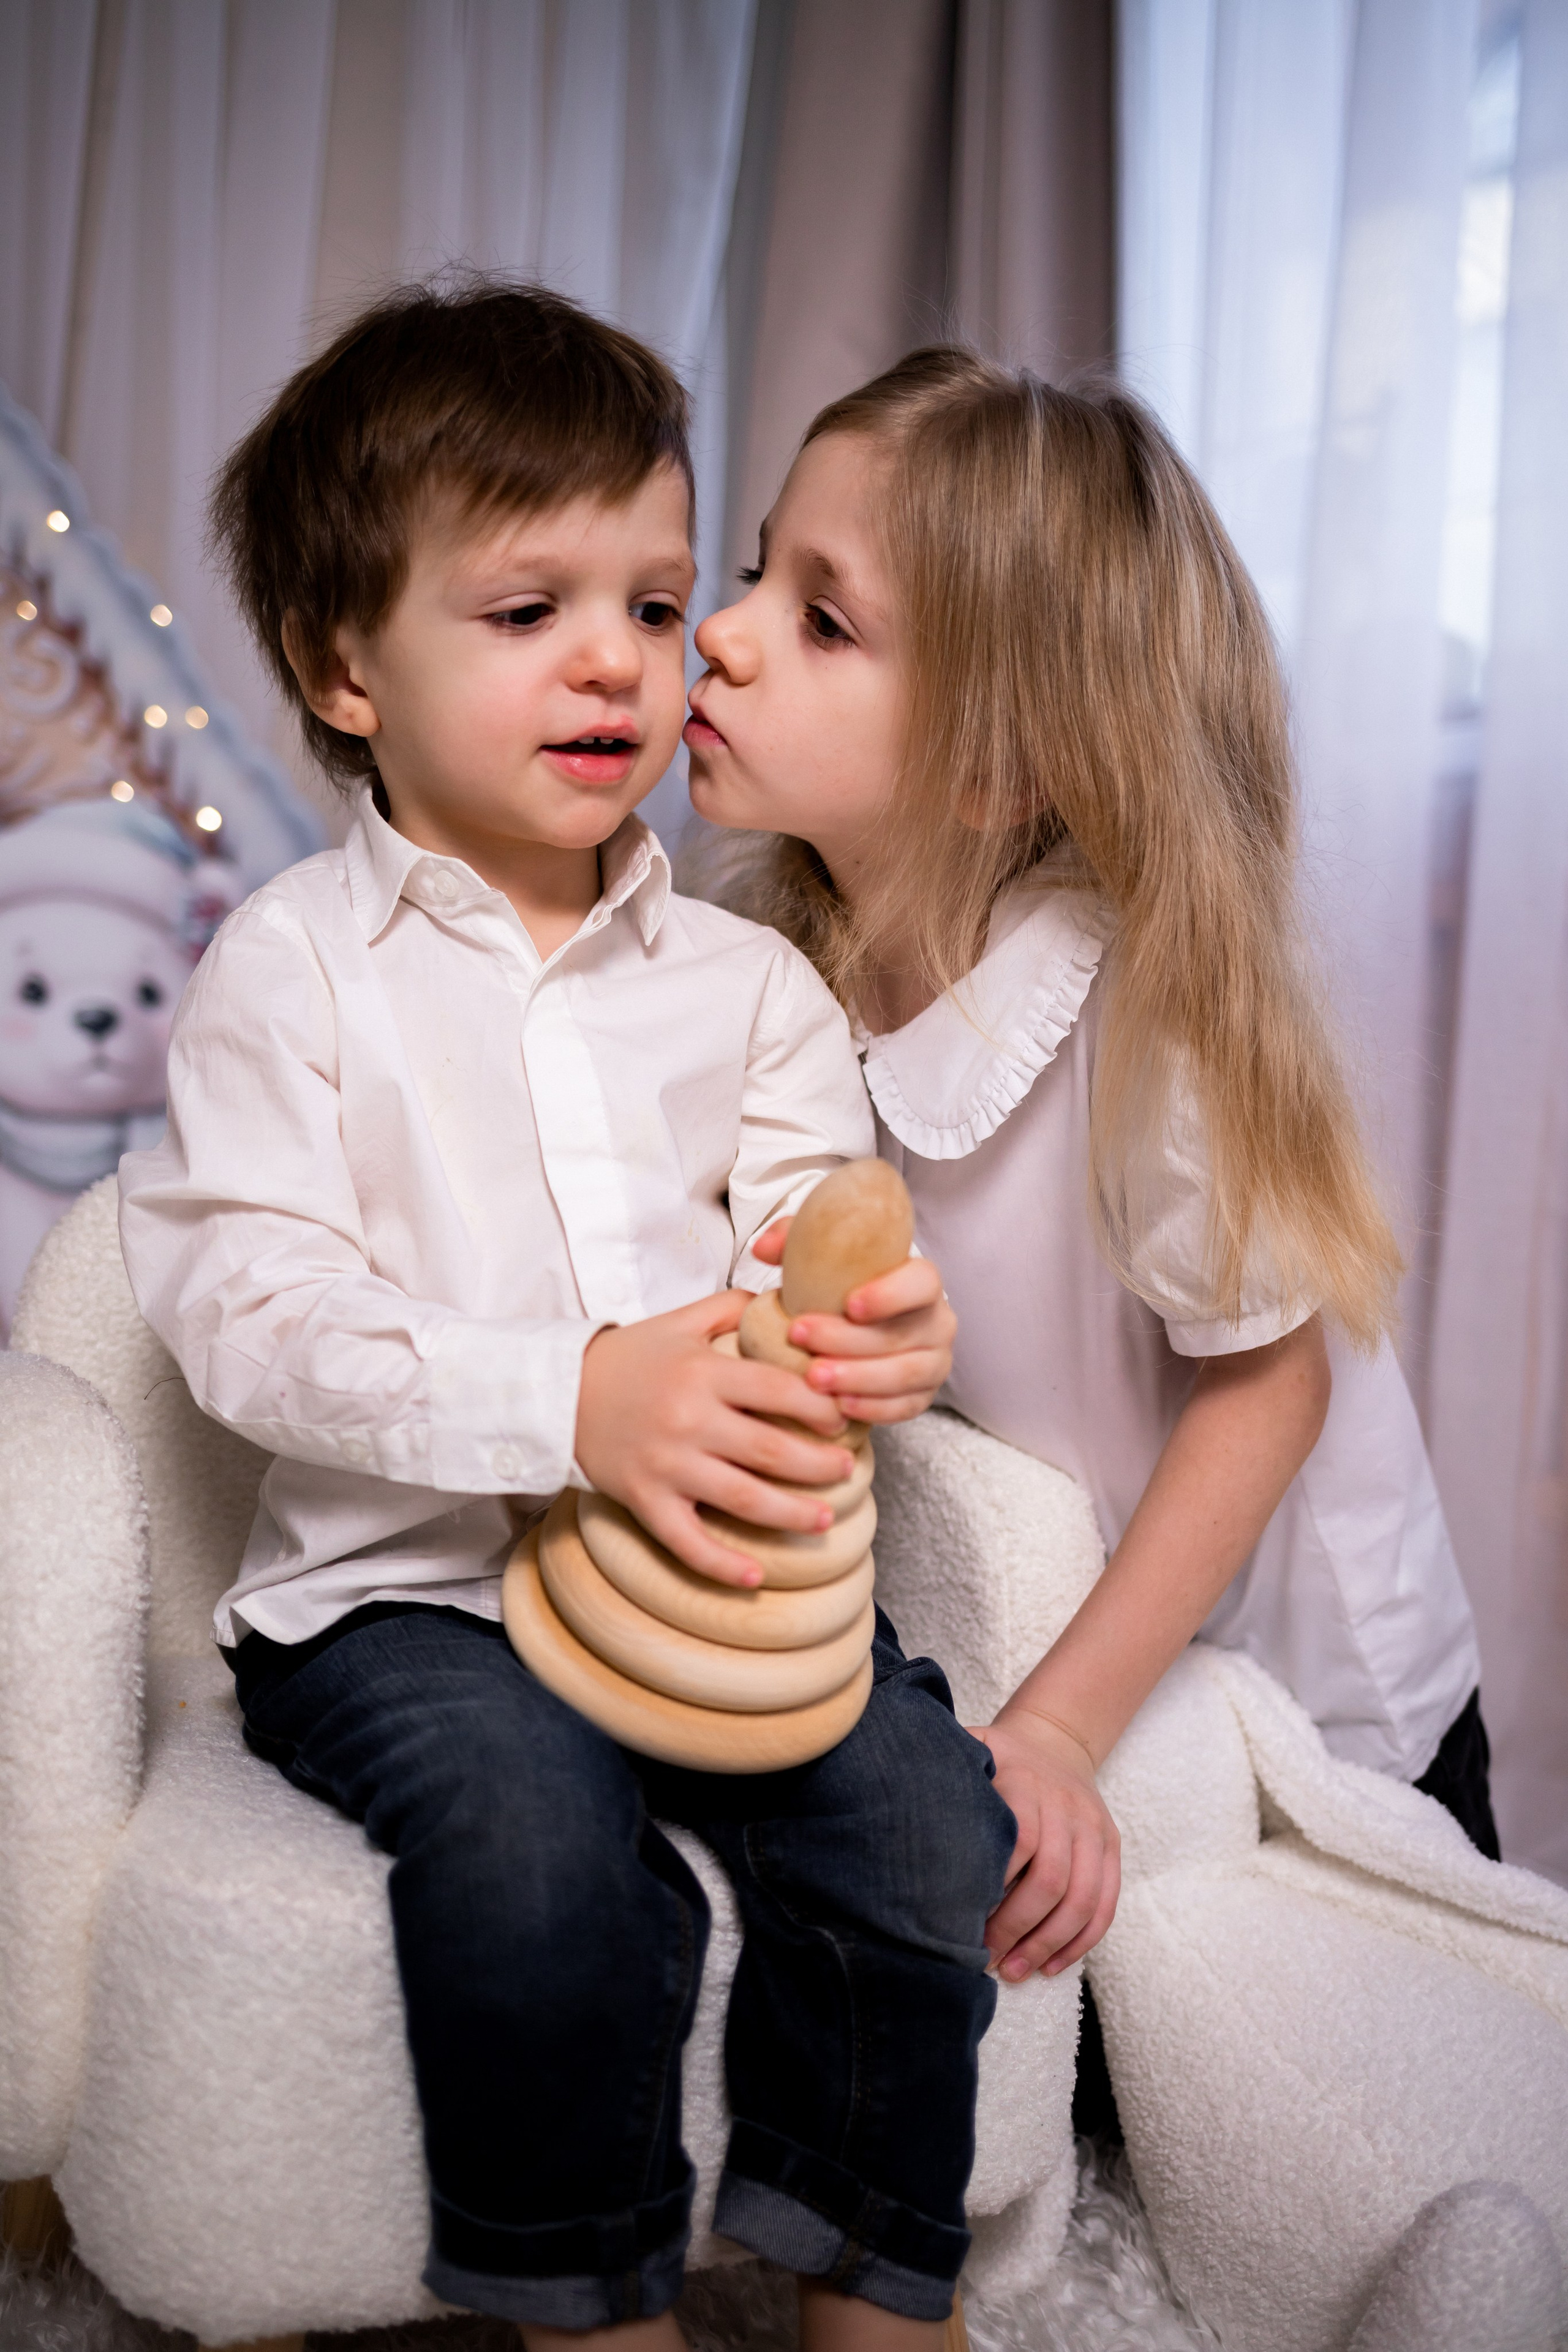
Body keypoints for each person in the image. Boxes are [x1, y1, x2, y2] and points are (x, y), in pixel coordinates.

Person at [118, 287, 1013, 2350]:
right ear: (351, 670)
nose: (620, 656)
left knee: (913, 1816)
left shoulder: (749, 986)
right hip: (399, 1601)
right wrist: (570, 1398)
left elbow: (814, 1232)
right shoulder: (288, 976)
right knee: (537, 1866)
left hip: (713, 1586)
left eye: (652, 595)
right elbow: (247, 1313)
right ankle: (586, 2304)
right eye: (527, 609)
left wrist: (878, 1326)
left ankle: (870, 2280)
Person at [684, 348, 1493, 2133]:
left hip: (1310, 1681)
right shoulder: (780, 979)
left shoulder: (1143, 1025)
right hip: (1085, 1632)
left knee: (1357, 2096)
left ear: (991, 771)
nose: (722, 634)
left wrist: (1053, 1727)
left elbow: (1263, 1400)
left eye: (821, 619)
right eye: (754, 570)